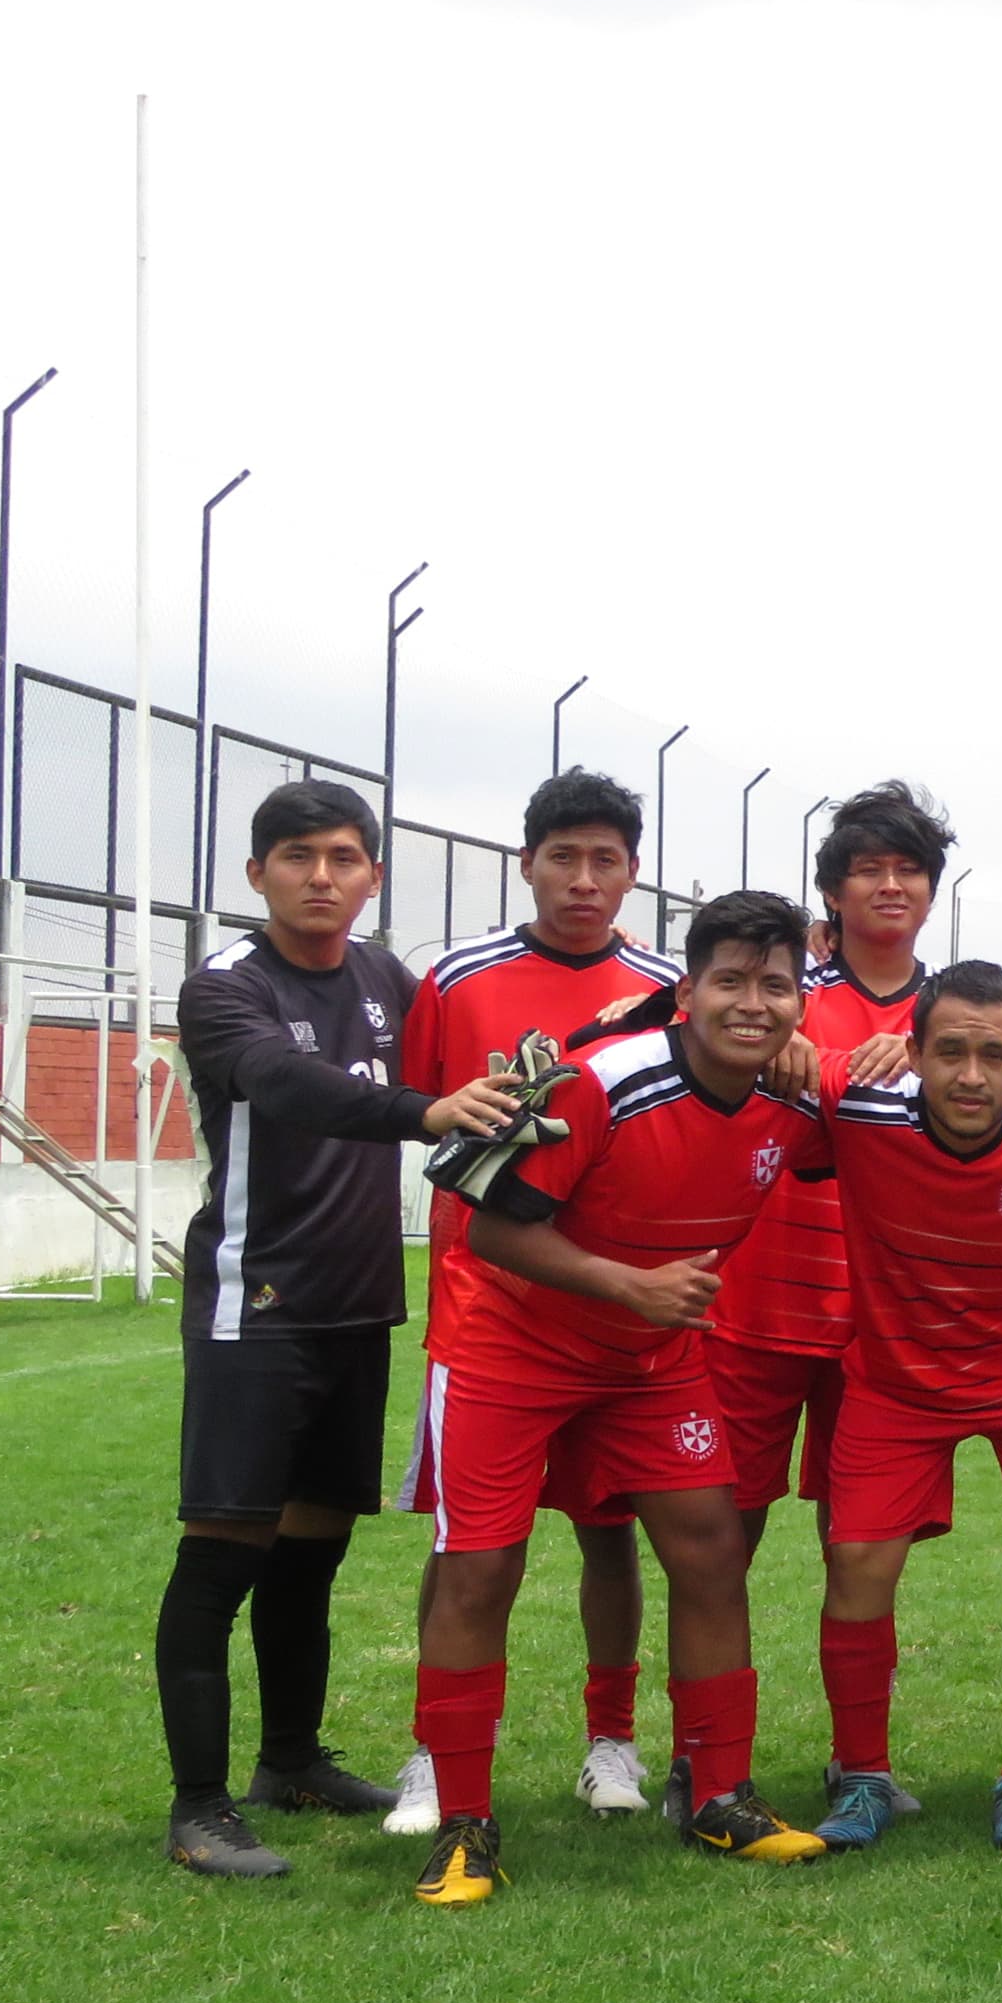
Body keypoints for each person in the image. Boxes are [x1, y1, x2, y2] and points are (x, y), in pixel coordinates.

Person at [410, 891, 835, 1903]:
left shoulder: (790, 1099)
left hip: (652, 1359)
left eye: (774, 985)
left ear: (797, 1003)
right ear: (683, 993)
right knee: (480, 1569)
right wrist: (630, 1285)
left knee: (711, 1547)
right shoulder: (606, 1082)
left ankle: (720, 1792)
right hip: (515, 1343)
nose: (752, 1004)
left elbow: (853, 1135)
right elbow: (492, 1232)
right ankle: (463, 1825)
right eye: (729, 981)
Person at [156, 782, 518, 1878]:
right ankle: (198, 1807)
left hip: (359, 1306)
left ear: (370, 876)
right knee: (224, 1554)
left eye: (346, 857)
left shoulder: (383, 978)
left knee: (312, 1554)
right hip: (254, 1308)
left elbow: (477, 1039)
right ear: (258, 871)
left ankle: (293, 1760)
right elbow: (284, 1083)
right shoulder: (225, 986)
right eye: (300, 855)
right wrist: (423, 1110)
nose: (324, 875)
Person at [386, 768, 680, 1838]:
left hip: (610, 1313)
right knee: (471, 1547)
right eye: (564, 857)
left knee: (611, 1535)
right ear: (528, 864)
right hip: (485, 1310)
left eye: (606, 860)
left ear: (632, 874)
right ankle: (432, 1756)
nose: (584, 879)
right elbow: (426, 1109)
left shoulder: (662, 988)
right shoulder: (459, 978)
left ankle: (612, 1742)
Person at [813, 962, 1002, 1855]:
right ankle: (863, 1774)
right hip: (898, 1379)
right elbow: (771, 1055)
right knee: (857, 1569)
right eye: (948, 1051)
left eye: (994, 1054)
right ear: (908, 1052)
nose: (970, 1074)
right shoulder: (858, 1103)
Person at [704, 785, 948, 1814]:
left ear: (931, 891)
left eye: (907, 870)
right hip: (756, 1312)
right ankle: (706, 1760)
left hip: (880, 1331)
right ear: (834, 892)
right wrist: (782, 1046)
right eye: (867, 870)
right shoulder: (775, 992)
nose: (889, 886)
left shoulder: (955, 1010)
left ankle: (863, 1765)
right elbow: (698, 1044)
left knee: (863, 1556)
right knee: (720, 1542)